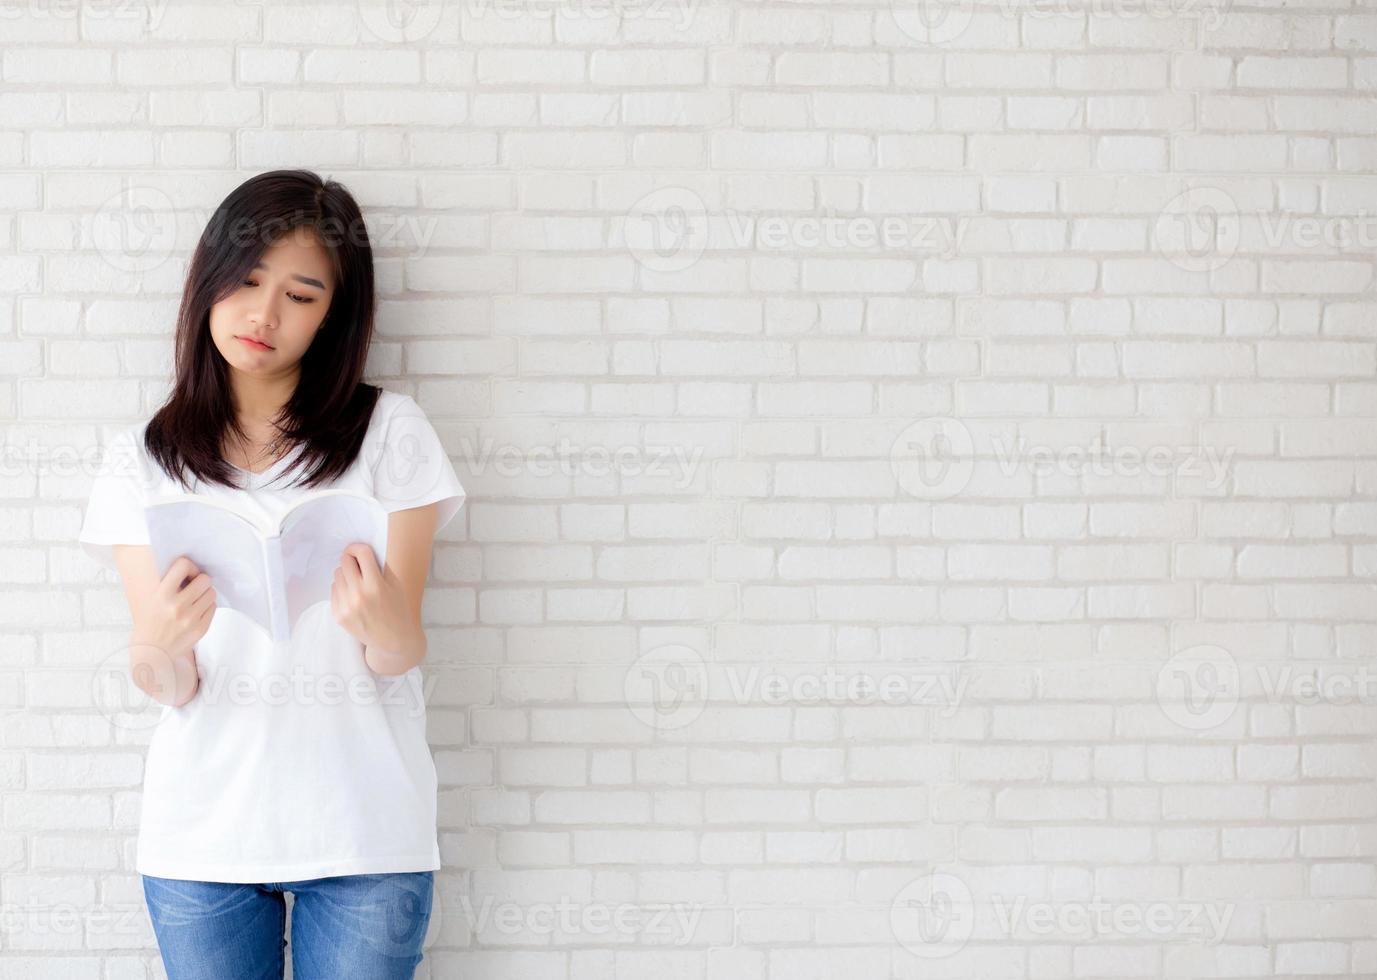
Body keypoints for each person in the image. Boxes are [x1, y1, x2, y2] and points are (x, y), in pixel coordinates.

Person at [77, 170, 465, 979]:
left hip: (364, 829)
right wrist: (156, 642)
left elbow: (397, 656)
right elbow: (167, 684)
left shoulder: (389, 432)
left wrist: (388, 628)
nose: (264, 314)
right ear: (208, 283)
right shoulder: (143, 460)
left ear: (334, 315)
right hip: (203, 834)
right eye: (249, 281)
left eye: (301, 294)